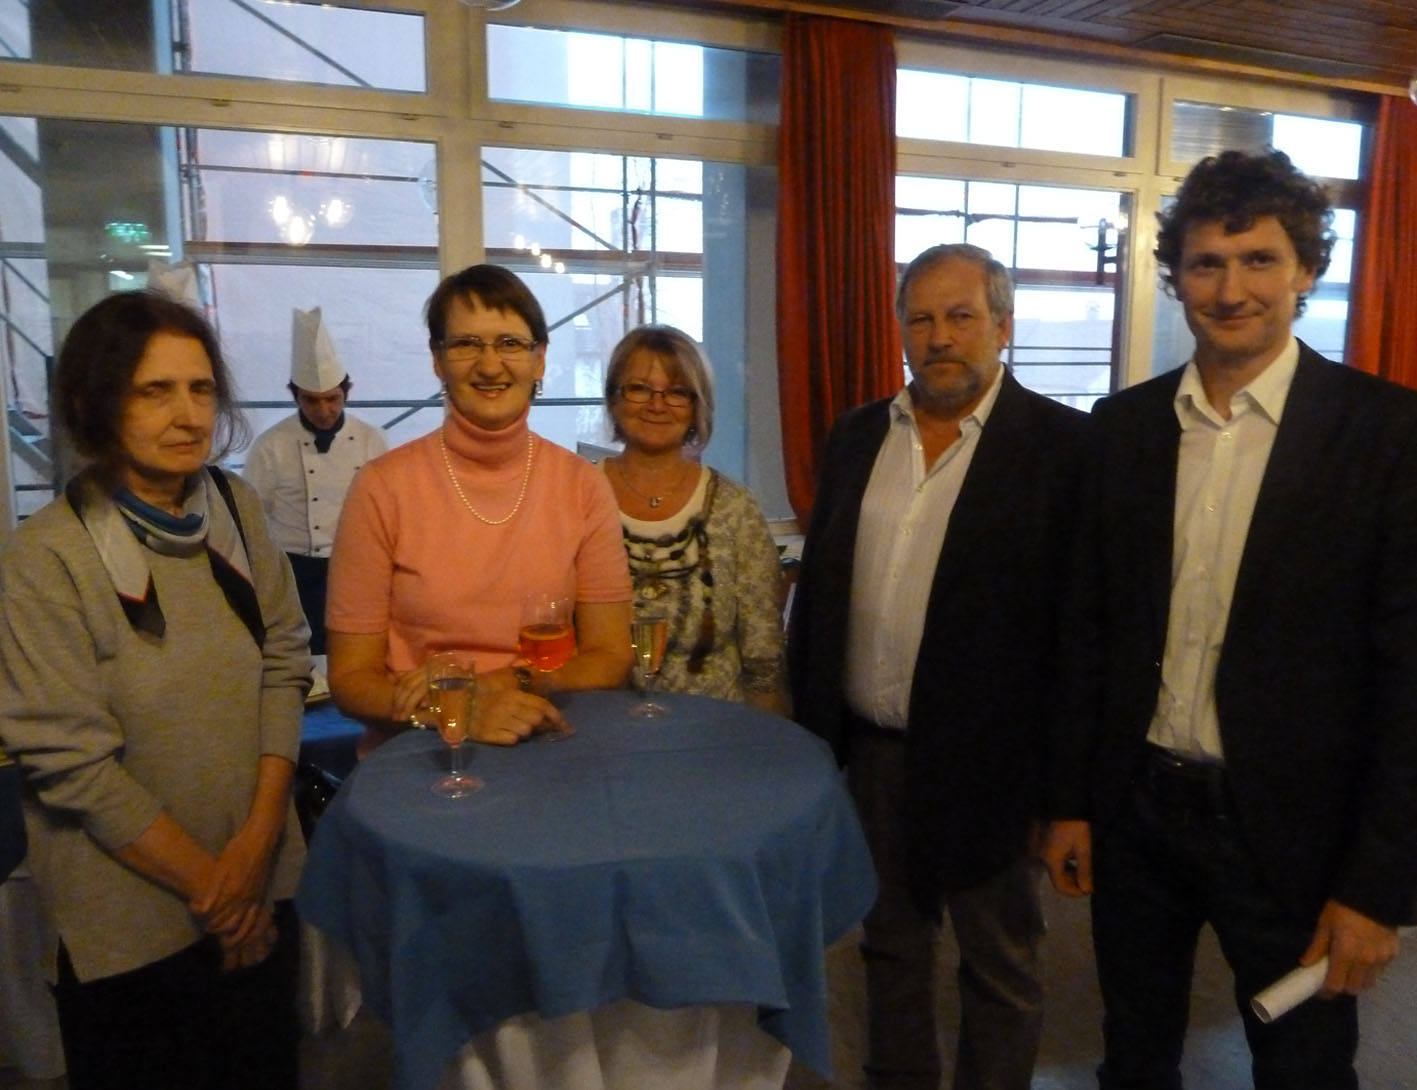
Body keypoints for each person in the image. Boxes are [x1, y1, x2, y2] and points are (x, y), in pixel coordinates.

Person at [1042, 149, 1417, 1089]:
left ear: (1305, 271)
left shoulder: (1387, 433)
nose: (1231, 288)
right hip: (1138, 812)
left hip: (1295, 831)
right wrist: (1070, 801)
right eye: (1206, 262)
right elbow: (1087, 632)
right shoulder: (1122, 428)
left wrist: (1376, 889)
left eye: (1259, 260)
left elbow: (1409, 681)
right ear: (1175, 277)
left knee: (1303, 1068)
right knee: (1133, 1055)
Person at [789, 243, 1091, 1090]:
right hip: (870, 759)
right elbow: (820, 601)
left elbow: (1079, 639)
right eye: (920, 318)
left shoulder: (1065, 448)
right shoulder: (856, 436)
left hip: (997, 768)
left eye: (960, 316)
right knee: (888, 947)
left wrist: (1065, 797)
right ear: (900, 331)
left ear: (1002, 325)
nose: (939, 337)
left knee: (999, 964)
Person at [0, 290, 311, 1089]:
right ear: (93, 404)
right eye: (154, 391)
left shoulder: (235, 511)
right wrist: (219, 894)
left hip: (263, 885)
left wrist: (256, 848)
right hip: (131, 933)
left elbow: (285, 661)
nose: (187, 414)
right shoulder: (45, 558)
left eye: (200, 389)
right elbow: (74, 766)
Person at [326, 264, 633, 751]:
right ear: (437, 359)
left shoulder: (582, 485)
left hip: (546, 738)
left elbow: (610, 657)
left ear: (540, 359)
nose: (490, 366)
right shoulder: (381, 488)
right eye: (467, 344)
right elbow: (350, 680)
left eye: (510, 343)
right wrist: (460, 712)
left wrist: (495, 685)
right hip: (419, 750)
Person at [601, 324, 789, 714]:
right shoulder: (577, 496)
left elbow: (764, 649)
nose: (657, 405)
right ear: (614, 399)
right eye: (639, 389)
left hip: (715, 729)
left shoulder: (736, 507)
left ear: (697, 407)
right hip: (601, 724)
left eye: (677, 392)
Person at [242, 306, 388, 654]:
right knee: (299, 652)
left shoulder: (371, 439)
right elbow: (252, 518)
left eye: (332, 399)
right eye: (312, 400)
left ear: (346, 393)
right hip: (293, 571)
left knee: (356, 649)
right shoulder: (270, 446)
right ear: (295, 396)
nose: (324, 410)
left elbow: (386, 512)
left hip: (354, 567)